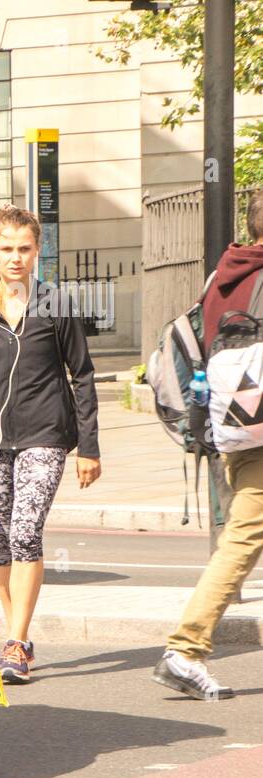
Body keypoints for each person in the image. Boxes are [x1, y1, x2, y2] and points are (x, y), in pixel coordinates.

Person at [0, 205, 101, 685]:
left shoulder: (56, 304)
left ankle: (16, 642)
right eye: (6, 249)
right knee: (3, 541)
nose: (15, 258)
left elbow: (82, 376)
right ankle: (15, 635)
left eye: (24, 249)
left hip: (45, 436)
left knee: (26, 530)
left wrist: (89, 447)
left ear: (37, 251)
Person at [154, 189, 263, 701]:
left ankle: (186, 647)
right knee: (241, 541)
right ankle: (185, 647)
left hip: (236, 429)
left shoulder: (222, 277)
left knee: (241, 536)